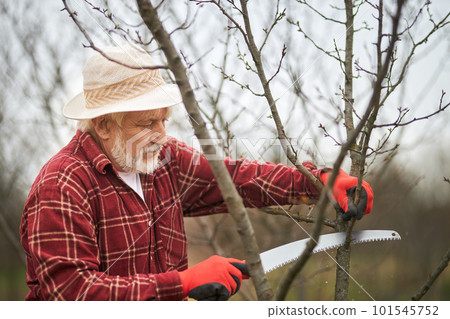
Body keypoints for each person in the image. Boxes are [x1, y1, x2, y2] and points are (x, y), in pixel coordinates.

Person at [20, 45, 373, 301]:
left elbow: (239, 179)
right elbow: (70, 294)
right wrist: (182, 283)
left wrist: (320, 182)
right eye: (147, 123)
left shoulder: (164, 160)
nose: (162, 134)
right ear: (104, 125)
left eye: (164, 120)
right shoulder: (63, 185)